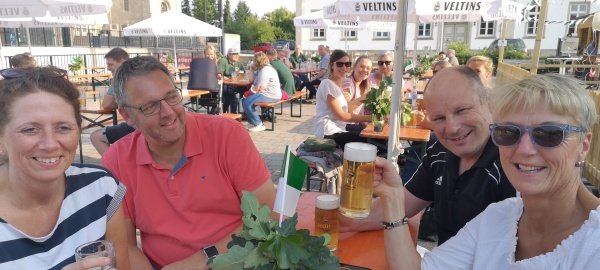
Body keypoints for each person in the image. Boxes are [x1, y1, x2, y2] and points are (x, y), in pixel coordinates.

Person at [375, 73, 600, 269]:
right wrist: (393, 199)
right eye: (509, 132)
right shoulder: (498, 218)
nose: (524, 149)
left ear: (583, 146)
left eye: (549, 134)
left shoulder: (592, 246)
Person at [102, 56, 276, 269]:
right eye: (150, 107)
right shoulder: (116, 160)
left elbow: (268, 215)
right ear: (126, 115)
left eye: (172, 97)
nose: (168, 113)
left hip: (238, 262)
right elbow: (125, 247)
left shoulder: (226, 135)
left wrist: (204, 258)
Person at [343, 66, 516, 245]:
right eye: (439, 118)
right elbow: (403, 205)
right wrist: (333, 220)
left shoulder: (513, 165)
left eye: (462, 110)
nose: (452, 128)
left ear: (489, 103)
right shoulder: (440, 152)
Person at [0, 67, 130, 269]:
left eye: (63, 127)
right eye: (30, 129)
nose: (50, 144)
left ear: (78, 131)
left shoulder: (99, 187)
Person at [314, 49, 373, 149]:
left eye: (347, 64)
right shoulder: (327, 84)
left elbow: (346, 111)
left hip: (339, 130)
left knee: (372, 136)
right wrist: (371, 118)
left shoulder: (338, 86)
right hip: (329, 133)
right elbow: (341, 116)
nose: (344, 67)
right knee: (371, 140)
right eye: (340, 64)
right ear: (332, 65)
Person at [89, 47, 135, 155]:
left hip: (137, 126)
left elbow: (107, 104)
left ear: (122, 62)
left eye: (110, 64)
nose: (108, 68)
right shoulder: (139, 73)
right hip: (147, 123)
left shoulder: (121, 77)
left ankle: (115, 166)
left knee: (95, 136)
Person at [242, 52, 282, 132]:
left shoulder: (265, 70)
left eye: (254, 61)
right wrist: (252, 69)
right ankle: (252, 123)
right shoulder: (262, 69)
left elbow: (260, 87)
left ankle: (259, 124)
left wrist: (248, 94)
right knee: (245, 101)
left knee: (247, 102)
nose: (253, 62)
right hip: (266, 93)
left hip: (271, 95)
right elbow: (251, 80)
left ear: (258, 61)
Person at [341, 55, 375, 132]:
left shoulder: (362, 86)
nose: (364, 70)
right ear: (354, 66)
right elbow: (344, 110)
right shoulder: (348, 83)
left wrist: (368, 128)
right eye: (362, 66)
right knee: (378, 140)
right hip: (345, 126)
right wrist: (366, 96)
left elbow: (360, 114)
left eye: (368, 68)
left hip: (354, 125)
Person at [217, 47, 246, 113]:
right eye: (234, 54)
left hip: (236, 85)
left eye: (237, 54)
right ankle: (232, 113)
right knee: (232, 94)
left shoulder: (238, 63)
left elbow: (244, 74)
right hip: (224, 84)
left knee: (247, 90)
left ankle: (245, 112)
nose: (236, 56)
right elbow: (218, 75)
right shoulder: (223, 61)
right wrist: (230, 80)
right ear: (228, 55)